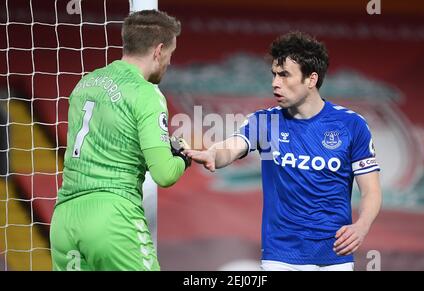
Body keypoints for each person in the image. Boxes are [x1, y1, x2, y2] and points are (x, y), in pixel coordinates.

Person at [185, 32, 382, 271]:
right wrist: (213, 154)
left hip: (335, 257)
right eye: (274, 75)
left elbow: (371, 190)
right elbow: (231, 147)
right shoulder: (264, 122)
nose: (274, 83)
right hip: (281, 257)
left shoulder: (352, 125)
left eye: (284, 75)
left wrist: (361, 226)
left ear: (311, 79)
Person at [50, 10, 191, 271]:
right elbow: (165, 174)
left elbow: (113, 144)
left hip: (64, 221)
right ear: (159, 50)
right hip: (113, 218)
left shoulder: (85, 84)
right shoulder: (146, 93)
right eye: (171, 54)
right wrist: (182, 158)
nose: (169, 63)